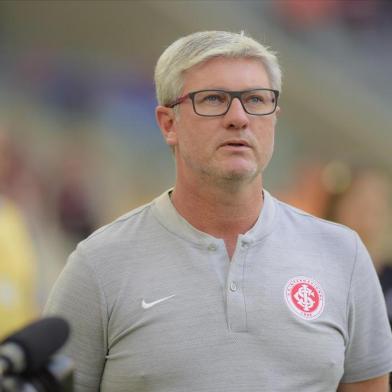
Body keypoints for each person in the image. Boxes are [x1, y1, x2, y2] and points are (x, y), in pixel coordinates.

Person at [45, 31, 392, 391]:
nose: (239, 117)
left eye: (257, 100)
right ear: (168, 124)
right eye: (213, 99)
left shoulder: (342, 254)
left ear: (274, 117)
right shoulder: (99, 266)